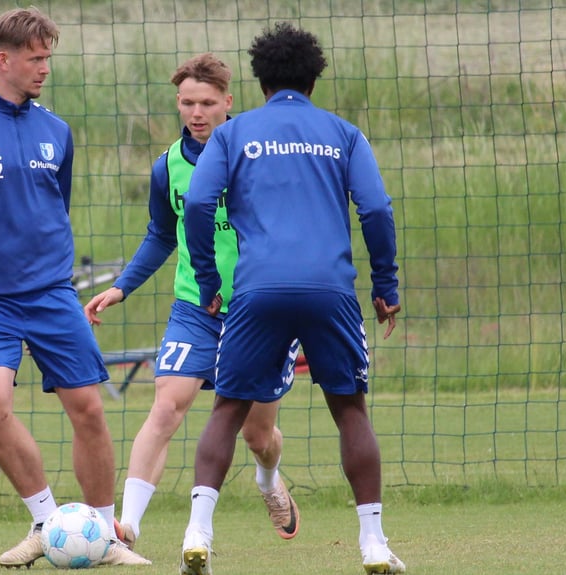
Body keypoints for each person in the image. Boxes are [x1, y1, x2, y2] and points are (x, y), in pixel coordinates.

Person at [0, 7, 150, 569]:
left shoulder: (56, 130)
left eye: (48, 57)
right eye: (36, 58)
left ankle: (104, 535)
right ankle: (47, 522)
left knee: (89, 410)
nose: (45, 67)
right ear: (4, 59)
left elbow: (55, 206)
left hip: (51, 294)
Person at [179, 22, 405, 575]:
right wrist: (385, 286)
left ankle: (197, 536)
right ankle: (373, 545)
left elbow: (200, 204)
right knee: (350, 409)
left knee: (228, 408)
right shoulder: (343, 133)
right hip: (330, 289)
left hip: (256, 291)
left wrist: (209, 282)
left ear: (257, 81)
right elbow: (376, 210)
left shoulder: (234, 135)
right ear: (314, 78)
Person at [83, 53, 301, 552]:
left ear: (228, 102)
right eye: (187, 103)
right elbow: (162, 235)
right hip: (194, 308)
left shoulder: (260, 154)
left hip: (258, 309)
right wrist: (122, 286)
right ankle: (127, 528)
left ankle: (268, 481)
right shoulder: (168, 167)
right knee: (167, 406)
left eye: (207, 103)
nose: (197, 112)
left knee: (257, 435)